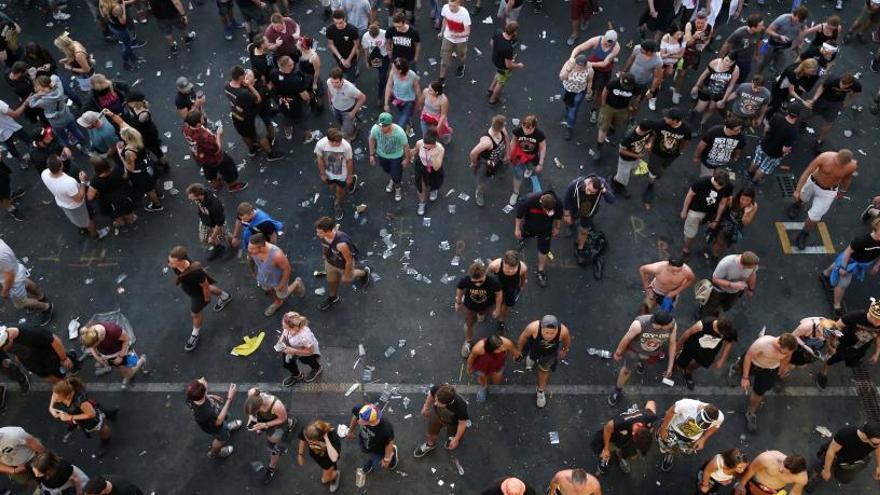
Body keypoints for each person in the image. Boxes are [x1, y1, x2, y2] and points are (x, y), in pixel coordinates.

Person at [167, 246, 234, 352]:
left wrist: (206, 299)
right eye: (169, 261)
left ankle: (195, 334)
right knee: (210, 289)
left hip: (198, 295)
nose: (169, 265)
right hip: (193, 287)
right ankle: (225, 297)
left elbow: (205, 286)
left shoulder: (195, 273)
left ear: (181, 261)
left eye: (172, 262)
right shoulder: (177, 265)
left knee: (195, 314)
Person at [789, 150, 858, 250]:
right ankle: (797, 204)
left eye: (841, 165)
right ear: (836, 155)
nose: (838, 165)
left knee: (815, 217)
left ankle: (804, 234)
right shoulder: (824, 157)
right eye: (836, 162)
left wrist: (842, 191)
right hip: (813, 183)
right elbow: (808, 171)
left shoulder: (851, 166)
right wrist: (798, 190)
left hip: (828, 192)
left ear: (847, 163)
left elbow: (847, 179)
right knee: (802, 197)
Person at [608, 310, 677, 406]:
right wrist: (618, 353)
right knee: (626, 371)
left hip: (651, 353)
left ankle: (639, 363)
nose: (672, 323)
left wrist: (670, 367)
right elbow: (627, 338)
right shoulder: (640, 324)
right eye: (669, 324)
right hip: (634, 351)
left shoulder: (672, 324)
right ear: (662, 325)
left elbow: (672, 343)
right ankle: (617, 390)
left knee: (643, 359)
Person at [733, 333, 797, 433]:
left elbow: (787, 357)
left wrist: (781, 370)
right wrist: (745, 378)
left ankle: (751, 412)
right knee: (740, 366)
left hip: (770, 370)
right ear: (779, 344)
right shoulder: (762, 344)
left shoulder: (788, 349)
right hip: (754, 364)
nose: (784, 354)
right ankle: (735, 367)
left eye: (787, 352)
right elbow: (749, 356)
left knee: (759, 392)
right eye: (782, 352)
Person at [820, 219, 880, 316]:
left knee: (836, 264)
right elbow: (848, 252)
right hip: (850, 262)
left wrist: (877, 266)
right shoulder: (862, 240)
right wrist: (843, 267)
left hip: (862, 263)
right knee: (843, 283)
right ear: (876, 228)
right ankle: (836, 306)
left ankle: (825, 274)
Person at [106, 114, 164, 212]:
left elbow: (130, 168)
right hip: (149, 164)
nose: (120, 136)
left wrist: (120, 153)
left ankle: (156, 205)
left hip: (141, 173)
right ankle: (160, 194)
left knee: (149, 189)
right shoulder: (138, 136)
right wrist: (111, 114)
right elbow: (121, 123)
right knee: (154, 179)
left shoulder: (129, 152)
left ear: (126, 138)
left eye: (121, 135)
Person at [224, 66, 283, 161]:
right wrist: (249, 86)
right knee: (262, 136)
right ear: (240, 77)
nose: (246, 76)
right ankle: (270, 154)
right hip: (249, 118)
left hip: (236, 116)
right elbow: (258, 99)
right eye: (244, 74)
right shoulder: (244, 93)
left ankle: (252, 150)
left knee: (245, 134)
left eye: (249, 74)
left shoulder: (227, 85)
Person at [815, 302, 880, 389]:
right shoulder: (856, 316)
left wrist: (876, 353)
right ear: (872, 315)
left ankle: (851, 361)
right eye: (878, 319)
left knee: (853, 361)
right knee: (831, 359)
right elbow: (835, 327)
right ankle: (823, 373)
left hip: (860, 349)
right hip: (843, 344)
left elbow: (878, 336)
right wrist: (831, 345)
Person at [314, 216, 371, 311]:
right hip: (330, 263)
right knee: (332, 281)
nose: (317, 234)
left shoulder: (341, 244)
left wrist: (347, 274)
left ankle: (364, 272)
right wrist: (324, 255)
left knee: (348, 279)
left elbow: (349, 261)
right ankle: (333, 297)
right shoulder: (324, 236)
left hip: (342, 265)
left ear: (328, 231)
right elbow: (324, 245)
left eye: (320, 232)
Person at [515, 315, 572, 408]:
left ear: (557, 329)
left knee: (544, 371)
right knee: (531, 357)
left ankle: (540, 391)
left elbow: (567, 341)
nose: (549, 336)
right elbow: (523, 337)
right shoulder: (533, 327)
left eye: (552, 333)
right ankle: (531, 359)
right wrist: (518, 351)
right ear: (541, 327)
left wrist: (565, 350)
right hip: (534, 350)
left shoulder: (563, 331)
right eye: (546, 332)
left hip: (549, 355)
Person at [807, 422, 880, 491]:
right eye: (876, 443)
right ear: (866, 436)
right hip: (836, 456)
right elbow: (831, 451)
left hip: (854, 459)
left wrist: (879, 466)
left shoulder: (875, 440)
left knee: (844, 478)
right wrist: (826, 471)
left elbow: (878, 447)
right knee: (820, 467)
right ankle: (815, 476)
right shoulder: (846, 434)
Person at [642, 107, 691, 209]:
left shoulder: (685, 129)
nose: (665, 118)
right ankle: (650, 185)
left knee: (663, 168)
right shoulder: (662, 123)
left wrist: (680, 151)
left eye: (668, 117)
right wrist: (650, 143)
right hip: (656, 153)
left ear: (675, 121)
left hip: (671, 155)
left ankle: (657, 174)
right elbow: (653, 133)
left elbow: (687, 140)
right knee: (654, 170)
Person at [42, 156, 102, 238]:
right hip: (77, 206)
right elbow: (79, 198)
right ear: (61, 166)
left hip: (63, 203)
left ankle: (82, 228)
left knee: (76, 219)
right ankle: (95, 235)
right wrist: (82, 181)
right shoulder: (69, 183)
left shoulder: (44, 173)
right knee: (88, 220)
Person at [656, 399, 724, 472]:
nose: (700, 424)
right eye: (700, 420)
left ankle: (670, 454)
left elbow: (716, 426)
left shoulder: (720, 418)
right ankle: (666, 451)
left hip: (690, 440)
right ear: (701, 409)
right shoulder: (686, 405)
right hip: (673, 431)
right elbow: (671, 411)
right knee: (665, 445)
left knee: (679, 449)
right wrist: (663, 429)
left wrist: (703, 439)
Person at [244, 387, 295, 484]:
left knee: (272, 448)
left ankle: (272, 468)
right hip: (266, 420)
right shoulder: (252, 393)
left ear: (260, 406)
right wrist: (251, 417)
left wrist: (265, 425)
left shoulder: (276, 405)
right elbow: (253, 412)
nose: (254, 414)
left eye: (255, 412)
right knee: (263, 428)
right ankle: (291, 423)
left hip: (277, 427)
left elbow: (282, 419)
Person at [247, 234, 305, 317]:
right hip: (263, 276)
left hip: (277, 279)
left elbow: (287, 269)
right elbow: (249, 258)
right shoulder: (252, 249)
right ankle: (277, 302)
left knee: (282, 295)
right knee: (267, 289)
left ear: (261, 247)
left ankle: (296, 283)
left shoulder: (277, 255)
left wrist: (281, 285)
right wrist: (253, 271)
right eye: (249, 247)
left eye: (252, 248)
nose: (249, 250)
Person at [569, 30, 620, 125]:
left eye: (611, 43)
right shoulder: (596, 40)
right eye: (607, 42)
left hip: (604, 71)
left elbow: (605, 63)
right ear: (604, 37)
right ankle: (590, 92)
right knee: (587, 83)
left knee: (600, 91)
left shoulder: (616, 47)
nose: (609, 45)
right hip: (590, 66)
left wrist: (587, 64)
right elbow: (579, 48)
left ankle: (594, 110)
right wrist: (572, 57)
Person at [592, 401, 657, 474]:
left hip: (628, 440)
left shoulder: (651, 417)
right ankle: (605, 458)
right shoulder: (620, 422)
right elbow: (607, 428)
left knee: (633, 456)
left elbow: (651, 402)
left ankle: (620, 457)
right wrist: (606, 448)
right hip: (616, 436)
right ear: (633, 433)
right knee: (609, 448)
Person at [680, 169, 734, 259]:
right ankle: (686, 249)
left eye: (722, 186)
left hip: (712, 212)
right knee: (690, 233)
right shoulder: (702, 182)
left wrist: (716, 220)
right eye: (718, 185)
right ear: (714, 179)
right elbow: (690, 195)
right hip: (696, 210)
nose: (720, 188)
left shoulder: (728, 186)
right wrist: (684, 211)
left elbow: (722, 203)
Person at [0, 325, 78, 386]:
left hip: (49, 359)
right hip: (36, 365)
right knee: (57, 378)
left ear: (9, 338)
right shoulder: (5, 341)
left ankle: (73, 360)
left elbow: (54, 340)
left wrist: (64, 359)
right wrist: (18, 357)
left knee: (66, 366)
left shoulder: (30, 332)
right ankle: (66, 383)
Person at [48, 378, 116, 448]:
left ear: (67, 396)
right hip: (81, 416)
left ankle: (106, 441)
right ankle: (109, 414)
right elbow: (54, 395)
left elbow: (91, 414)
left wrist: (70, 417)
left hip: (91, 419)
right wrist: (51, 408)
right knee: (103, 414)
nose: (55, 399)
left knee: (101, 427)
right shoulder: (63, 391)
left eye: (58, 399)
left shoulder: (80, 402)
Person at [803, 73, 862, 153]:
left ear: (851, 84)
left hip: (837, 102)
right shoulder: (833, 79)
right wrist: (814, 99)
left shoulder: (856, 85)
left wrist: (848, 101)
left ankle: (819, 141)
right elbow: (821, 87)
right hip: (824, 98)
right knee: (814, 112)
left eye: (845, 86)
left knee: (829, 122)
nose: (841, 86)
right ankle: (805, 121)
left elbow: (857, 92)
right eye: (841, 83)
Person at [563, 175, 614, 265]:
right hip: (575, 207)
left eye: (593, 192)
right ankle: (571, 225)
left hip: (589, 211)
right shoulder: (575, 185)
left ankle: (580, 248)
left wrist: (604, 190)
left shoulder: (602, 185)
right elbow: (567, 198)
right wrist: (567, 215)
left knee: (584, 231)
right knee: (572, 219)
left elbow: (611, 200)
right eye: (589, 189)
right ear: (588, 182)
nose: (589, 193)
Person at [185, 378, 242, 459]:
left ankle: (227, 427)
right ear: (205, 391)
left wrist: (209, 396)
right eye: (202, 381)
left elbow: (198, 398)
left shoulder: (191, 397)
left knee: (224, 425)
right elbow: (218, 421)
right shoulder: (206, 413)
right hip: (216, 428)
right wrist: (230, 398)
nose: (203, 378)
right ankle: (214, 453)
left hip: (213, 419)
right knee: (221, 438)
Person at [455, 260, 502, 358]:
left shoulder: (493, 281)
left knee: (482, 314)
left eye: (480, 281)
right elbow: (460, 289)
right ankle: (468, 342)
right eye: (474, 282)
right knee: (468, 325)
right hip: (470, 307)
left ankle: (481, 314)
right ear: (470, 277)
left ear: (485, 274)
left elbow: (498, 294)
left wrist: (497, 309)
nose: (478, 284)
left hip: (487, 306)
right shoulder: (465, 280)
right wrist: (458, 302)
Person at [514, 190, 561, 288]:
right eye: (546, 210)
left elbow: (558, 217)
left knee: (544, 250)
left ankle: (541, 270)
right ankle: (524, 239)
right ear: (541, 202)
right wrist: (517, 228)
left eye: (550, 211)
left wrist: (557, 227)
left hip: (546, 230)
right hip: (529, 227)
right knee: (525, 235)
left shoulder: (558, 202)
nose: (548, 213)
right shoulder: (528, 200)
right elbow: (519, 215)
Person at [79, 321, 146, 388]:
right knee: (118, 367)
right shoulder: (88, 331)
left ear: (98, 340)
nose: (93, 347)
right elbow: (91, 346)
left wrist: (120, 357)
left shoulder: (113, 330)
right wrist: (97, 356)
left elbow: (127, 339)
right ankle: (123, 370)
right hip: (109, 355)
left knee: (128, 374)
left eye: (94, 345)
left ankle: (142, 360)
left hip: (123, 352)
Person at [0, 240, 52, 325]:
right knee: (26, 282)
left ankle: (46, 308)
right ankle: (40, 296)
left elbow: (10, 276)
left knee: (21, 303)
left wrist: (5, 291)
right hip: (18, 269)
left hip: (13, 282)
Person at [675, 317, 735, 389]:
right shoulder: (701, 325)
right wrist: (678, 347)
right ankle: (679, 362)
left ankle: (688, 371)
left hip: (710, 350)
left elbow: (729, 342)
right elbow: (687, 333)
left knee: (700, 363)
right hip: (694, 345)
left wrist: (722, 359)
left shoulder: (729, 331)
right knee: (681, 362)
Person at [747, 101, 799, 185]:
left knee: (756, 160)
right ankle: (754, 181)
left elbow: (766, 128)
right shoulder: (794, 131)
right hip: (774, 154)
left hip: (764, 145)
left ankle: (749, 174)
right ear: (797, 115)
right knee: (764, 168)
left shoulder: (777, 117)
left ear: (787, 111)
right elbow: (784, 149)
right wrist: (785, 153)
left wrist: (764, 138)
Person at [29, 74, 87, 148]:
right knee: (76, 131)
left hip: (56, 123)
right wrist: (51, 84)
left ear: (42, 87)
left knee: (63, 137)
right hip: (67, 116)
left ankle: (67, 148)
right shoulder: (59, 89)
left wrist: (37, 95)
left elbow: (31, 103)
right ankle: (84, 145)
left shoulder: (43, 101)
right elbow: (55, 76)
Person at [698, 251, 759, 318]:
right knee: (710, 306)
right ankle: (701, 315)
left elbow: (752, 274)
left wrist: (751, 289)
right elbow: (715, 279)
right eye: (752, 267)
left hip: (735, 292)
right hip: (719, 290)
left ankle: (716, 313)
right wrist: (732, 285)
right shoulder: (726, 264)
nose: (754, 267)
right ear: (743, 266)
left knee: (727, 306)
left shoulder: (752, 265)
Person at [413, 383, 469, 456]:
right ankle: (430, 444)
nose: (435, 403)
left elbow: (462, 424)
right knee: (431, 433)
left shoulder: (461, 407)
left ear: (448, 403)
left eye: (439, 403)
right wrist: (426, 407)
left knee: (453, 435)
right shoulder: (438, 388)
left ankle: (451, 438)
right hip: (436, 415)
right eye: (436, 399)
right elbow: (431, 395)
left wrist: (456, 439)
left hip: (453, 422)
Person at [689, 55, 740, 133]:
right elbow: (704, 74)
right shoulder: (715, 62)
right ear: (723, 58)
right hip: (707, 89)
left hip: (719, 93)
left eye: (731, 62)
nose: (728, 63)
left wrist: (724, 100)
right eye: (726, 60)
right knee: (700, 108)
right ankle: (693, 113)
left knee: (711, 108)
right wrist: (697, 86)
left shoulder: (735, 69)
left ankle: (702, 123)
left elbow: (731, 85)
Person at [268, 56, 313, 143]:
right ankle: (308, 136)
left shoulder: (273, 73)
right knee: (302, 120)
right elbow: (305, 96)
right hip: (296, 105)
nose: (294, 64)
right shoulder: (295, 80)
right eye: (292, 64)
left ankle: (288, 132)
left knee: (286, 117)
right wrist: (308, 99)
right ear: (287, 66)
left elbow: (271, 86)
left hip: (282, 101)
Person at [314, 127, 356, 221]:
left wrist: (349, 176)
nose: (340, 142)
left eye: (340, 140)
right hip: (329, 173)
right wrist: (323, 174)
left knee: (339, 189)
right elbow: (319, 160)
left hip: (342, 174)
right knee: (331, 186)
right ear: (331, 141)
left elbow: (349, 161)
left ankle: (337, 204)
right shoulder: (321, 144)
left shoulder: (346, 146)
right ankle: (350, 182)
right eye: (338, 141)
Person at [122, 91, 169, 173]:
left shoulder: (143, 115)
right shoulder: (135, 108)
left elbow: (137, 124)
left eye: (129, 102)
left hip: (148, 135)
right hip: (143, 133)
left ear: (135, 102)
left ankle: (165, 165)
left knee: (157, 151)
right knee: (154, 150)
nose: (128, 104)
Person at [85, 155, 137, 228]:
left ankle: (120, 223)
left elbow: (90, 197)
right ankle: (131, 220)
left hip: (109, 201)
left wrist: (85, 183)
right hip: (123, 195)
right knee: (127, 210)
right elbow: (125, 177)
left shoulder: (95, 181)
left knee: (115, 214)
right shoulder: (117, 169)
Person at [707, 187, 758, 261]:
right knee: (720, 242)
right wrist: (714, 220)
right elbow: (721, 209)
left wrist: (746, 213)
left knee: (725, 243)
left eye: (747, 200)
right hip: (724, 223)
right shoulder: (731, 200)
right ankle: (715, 255)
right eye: (742, 199)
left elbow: (746, 222)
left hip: (736, 227)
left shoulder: (753, 206)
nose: (744, 202)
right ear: (739, 197)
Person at [369, 112, 411, 201]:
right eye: (380, 125)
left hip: (396, 156)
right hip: (381, 155)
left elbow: (406, 146)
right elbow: (372, 139)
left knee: (396, 175)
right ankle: (392, 178)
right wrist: (372, 154)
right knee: (387, 170)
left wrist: (407, 159)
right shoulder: (376, 128)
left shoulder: (399, 132)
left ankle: (398, 188)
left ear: (390, 124)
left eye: (384, 126)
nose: (381, 128)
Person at [468, 114, 508, 207]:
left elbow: (506, 138)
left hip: (499, 158)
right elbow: (473, 153)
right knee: (483, 181)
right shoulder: (487, 141)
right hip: (486, 164)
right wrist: (474, 163)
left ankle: (499, 174)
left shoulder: (502, 130)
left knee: (502, 169)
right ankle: (479, 193)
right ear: (499, 127)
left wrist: (508, 154)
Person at [346, 403, 398, 475]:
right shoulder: (362, 410)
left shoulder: (385, 428)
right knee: (367, 452)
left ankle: (392, 454)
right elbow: (355, 417)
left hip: (379, 447)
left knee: (378, 462)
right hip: (365, 441)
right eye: (360, 418)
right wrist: (350, 431)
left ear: (371, 421)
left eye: (362, 420)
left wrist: (387, 459)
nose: (359, 421)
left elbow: (389, 443)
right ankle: (371, 461)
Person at [466, 334, 520, 402]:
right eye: (498, 348)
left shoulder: (506, 343)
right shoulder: (479, 348)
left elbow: (514, 352)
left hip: (498, 365)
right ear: (490, 348)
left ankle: (489, 383)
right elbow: (471, 358)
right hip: (482, 366)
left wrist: (516, 356)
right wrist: (469, 368)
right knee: (483, 379)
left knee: (496, 381)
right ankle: (483, 388)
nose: (502, 348)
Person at [508, 115, 546, 206]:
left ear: (534, 127)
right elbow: (513, 141)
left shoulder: (539, 134)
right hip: (520, 157)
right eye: (524, 128)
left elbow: (542, 148)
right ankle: (515, 193)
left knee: (530, 167)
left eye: (529, 129)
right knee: (518, 175)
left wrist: (540, 163)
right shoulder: (517, 131)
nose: (525, 131)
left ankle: (529, 170)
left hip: (532, 157)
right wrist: (510, 154)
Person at [610, 120, 654, 198]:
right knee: (623, 177)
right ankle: (617, 187)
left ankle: (616, 180)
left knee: (628, 173)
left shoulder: (648, 131)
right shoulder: (629, 137)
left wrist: (649, 144)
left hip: (636, 158)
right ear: (646, 130)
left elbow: (651, 136)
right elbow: (621, 150)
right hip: (626, 160)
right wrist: (636, 156)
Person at [675, 10, 712, 104]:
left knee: (685, 71)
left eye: (702, 23)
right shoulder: (689, 25)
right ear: (695, 19)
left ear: (706, 20)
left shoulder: (709, 27)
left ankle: (677, 71)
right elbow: (687, 43)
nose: (699, 25)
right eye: (698, 22)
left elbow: (708, 39)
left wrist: (704, 46)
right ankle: (676, 92)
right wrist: (695, 37)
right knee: (682, 74)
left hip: (695, 54)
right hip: (684, 51)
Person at [276, 311, 322, 386]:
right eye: (283, 326)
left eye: (285, 327)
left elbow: (310, 351)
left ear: (294, 328)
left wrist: (293, 351)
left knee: (308, 361)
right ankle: (298, 376)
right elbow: (284, 333)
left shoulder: (305, 336)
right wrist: (281, 341)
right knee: (287, 364)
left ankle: (317, 369)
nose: (283, 328)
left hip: (306, 353)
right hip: (291, 348)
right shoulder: (289, 327)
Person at [185, 183, 229, 260]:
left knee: (224, 236)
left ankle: (233, 242)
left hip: (216, 223)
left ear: (198, 195)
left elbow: (219, 224)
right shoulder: (202, 195)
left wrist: (213, 236)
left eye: (191, 196)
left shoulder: (215, 206)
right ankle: (218, 247)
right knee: (204, 239)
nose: (189, 198)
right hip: (205, 219)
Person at [758, 7, 809, 74]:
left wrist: (799, 44)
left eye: (799, 21)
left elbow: (804, 29)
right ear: (793, 14)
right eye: (796, 20)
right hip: (774, 44)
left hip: (786, 47)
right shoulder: (782, 19)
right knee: (764, 62)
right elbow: (768, 30)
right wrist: (780, 36)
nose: (797, 23)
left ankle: (776, 75)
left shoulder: (801, 21)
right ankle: (758, 75)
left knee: (780, 65)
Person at [99, 0, 145, 72]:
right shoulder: (116, 8)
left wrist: (128, 2)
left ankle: (133, 57)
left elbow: (103, 15)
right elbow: (123, 22)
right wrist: (123, 8)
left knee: (127, 44)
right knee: (126, 45)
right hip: (121, 30)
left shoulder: (102, 2)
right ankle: (126, 63)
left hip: (112, 26)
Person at [296, 420, 341, 492]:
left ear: (319, 438)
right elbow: (302, 439)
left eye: (311, 441)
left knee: (324, 480)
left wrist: (326, 438)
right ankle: (331, 473)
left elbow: (334, 458)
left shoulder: (332, 436)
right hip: (318, 457)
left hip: (328, 460)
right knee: (325, 476)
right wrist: (300, 454)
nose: (308, 442)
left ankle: (335, 475)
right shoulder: (306, 431)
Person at [487, 250, 527, 331]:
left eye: (513, 268)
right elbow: (487, 275)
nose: (510, 270)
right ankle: (483, 311)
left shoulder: (522, 267)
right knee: (491, 300)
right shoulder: (495, 265)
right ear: (504, 262)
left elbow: (524, 278)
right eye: (508, 268)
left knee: (506, 305)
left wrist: (522, 286)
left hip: (511, 288)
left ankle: (501, 320)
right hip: (497, 287)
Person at [736, 451, 807, 495]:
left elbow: (795, 492)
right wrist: (742, 484)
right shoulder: (767, 458)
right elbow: (751, 470)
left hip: (772, 491)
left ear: (794, 473)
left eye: (783, 471)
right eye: (782, 465)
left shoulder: (802, 478)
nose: (780, 469)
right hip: (755, 483)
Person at [718, 14, 764, 81]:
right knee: (727, 78)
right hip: (735, 60)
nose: (762, 27)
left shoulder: (761, 31)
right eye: (760, 25)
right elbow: (727, 44)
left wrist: (757, 54)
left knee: (741, 79)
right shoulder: (739, 33)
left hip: (747, 61)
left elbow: (759, 41)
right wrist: (721, 58)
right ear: (753, 27)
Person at [559, 54, 594, 140]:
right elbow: (561, 77)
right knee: (566, 104)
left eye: (581, 66)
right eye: (577, 65)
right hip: (567, 89)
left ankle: (569, 128)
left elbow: (589, 81)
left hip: (578, 92)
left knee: (573, 111)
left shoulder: (589, 70)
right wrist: (568, 69)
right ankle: (567, 112)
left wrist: (589, 90)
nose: (579, 67)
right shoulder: (569, 64)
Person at [488, 21, 524, 105]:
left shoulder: (498, 32)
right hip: (503, 67)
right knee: (501, 83)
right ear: (514, 32)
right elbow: (508, 65)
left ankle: (490, 89)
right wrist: (518, 65)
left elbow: (491, 43)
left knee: (498, 74)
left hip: (495, 59)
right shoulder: (508, 48)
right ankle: (493, 99)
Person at [326, 67, 366, 140]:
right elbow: (329, 89)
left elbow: (363, 97)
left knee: (346, 132)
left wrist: (353, 112)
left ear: (342, 80)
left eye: (336, 82)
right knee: (340, 122)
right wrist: (330, 102)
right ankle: (351, 127)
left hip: (348, 111)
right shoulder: (329, 82)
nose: (334, 85)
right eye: (332, 82)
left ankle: (354, 131)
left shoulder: (350, 88)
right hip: (335, 108)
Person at [622, 40, 663, 112]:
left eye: (642, 49)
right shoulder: (637, 48)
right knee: (623, 95)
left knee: (636, 102)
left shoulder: (657, 61)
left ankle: (632, 117)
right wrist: (624, 71)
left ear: (649, 52)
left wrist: (651, 91)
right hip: (629, 79)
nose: (640, 49)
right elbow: (630, 59)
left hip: (642, 84)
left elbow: (657, 77)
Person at [383, 57, 420, 131]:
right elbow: (389, 86)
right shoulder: (393, 73)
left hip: (408, 101)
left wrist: (420, 103)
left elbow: (417, 89)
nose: (392, 69)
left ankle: (405, 124)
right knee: (401, 111)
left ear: (400, 70)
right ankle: (408, 120)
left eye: (394, 68)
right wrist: (386, 103)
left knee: (400, 124)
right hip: (396, 99)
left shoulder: (412, 76)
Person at [438, 0, 470, 80]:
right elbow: (445, 20)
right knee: (444, 60)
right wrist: (441, 32)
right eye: (450, 5)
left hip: (461, 40)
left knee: (461, 55)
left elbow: (467, 32)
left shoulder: (464, 13)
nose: (451, 8)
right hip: (448, 37)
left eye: (454, 6)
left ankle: (462, 65)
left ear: (459, 4)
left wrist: (458, 35)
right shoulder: (445, 8)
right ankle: (441, 79)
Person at [326, 10, 360, 80]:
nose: (338, 25)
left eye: (340, 22)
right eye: (336, 23)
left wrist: (348, 60)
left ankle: (354, 74)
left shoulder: (352, 30)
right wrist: (341, 59)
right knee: (343, 70)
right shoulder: (330, 29)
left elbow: (356, 45)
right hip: (338, 57)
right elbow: (331, 44)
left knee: (351, 77)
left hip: (351, 57)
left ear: (344, 19)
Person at [362, 22, 390, 104]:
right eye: (372, 36)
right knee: (380, 70)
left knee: (382, 77)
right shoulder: (365, 36)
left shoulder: (385, 33)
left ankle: (380, 97)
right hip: (374, 57)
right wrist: (366, 61)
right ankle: (383, 76)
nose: (374, 37)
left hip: (385, 57)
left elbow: (390, 44)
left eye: (376, 36)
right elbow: (366, 49)